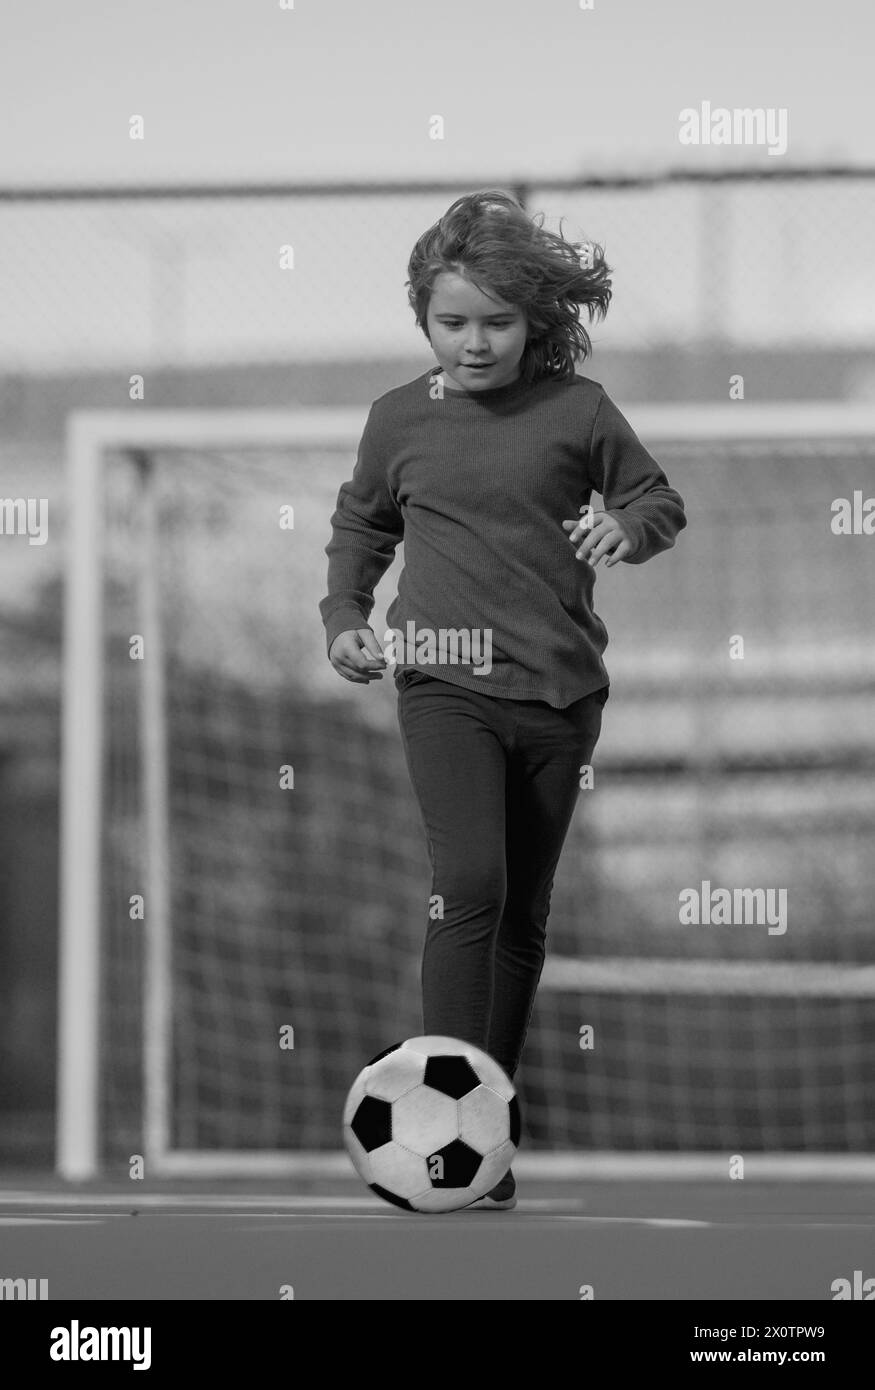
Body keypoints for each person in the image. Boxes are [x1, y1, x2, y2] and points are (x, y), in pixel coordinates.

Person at [319, 189, 686, 1209]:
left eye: (495, 322)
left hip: (560, 693)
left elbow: (656, 499)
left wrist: (628, 528)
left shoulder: (577, 411)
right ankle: (434, 1118)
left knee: (522, 910)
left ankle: (476, 1143)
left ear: (536, 321)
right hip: (442, 682)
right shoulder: (398, 419)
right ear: (422, 319)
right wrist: (345, 611)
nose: (472, 343)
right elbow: (360, 527)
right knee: (470, 880)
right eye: (451, 322)